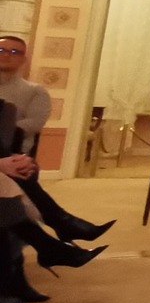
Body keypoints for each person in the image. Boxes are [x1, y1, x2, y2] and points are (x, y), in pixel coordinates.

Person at [0, 34, 115, 244]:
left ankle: (55, 236)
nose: (6, 55)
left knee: (19, 168)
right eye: (1, 50)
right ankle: (60, 229)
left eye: (14, 52)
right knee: (16, 175)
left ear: (23, 59)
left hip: (15, 150)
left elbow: (34, 123)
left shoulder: (34, 91)